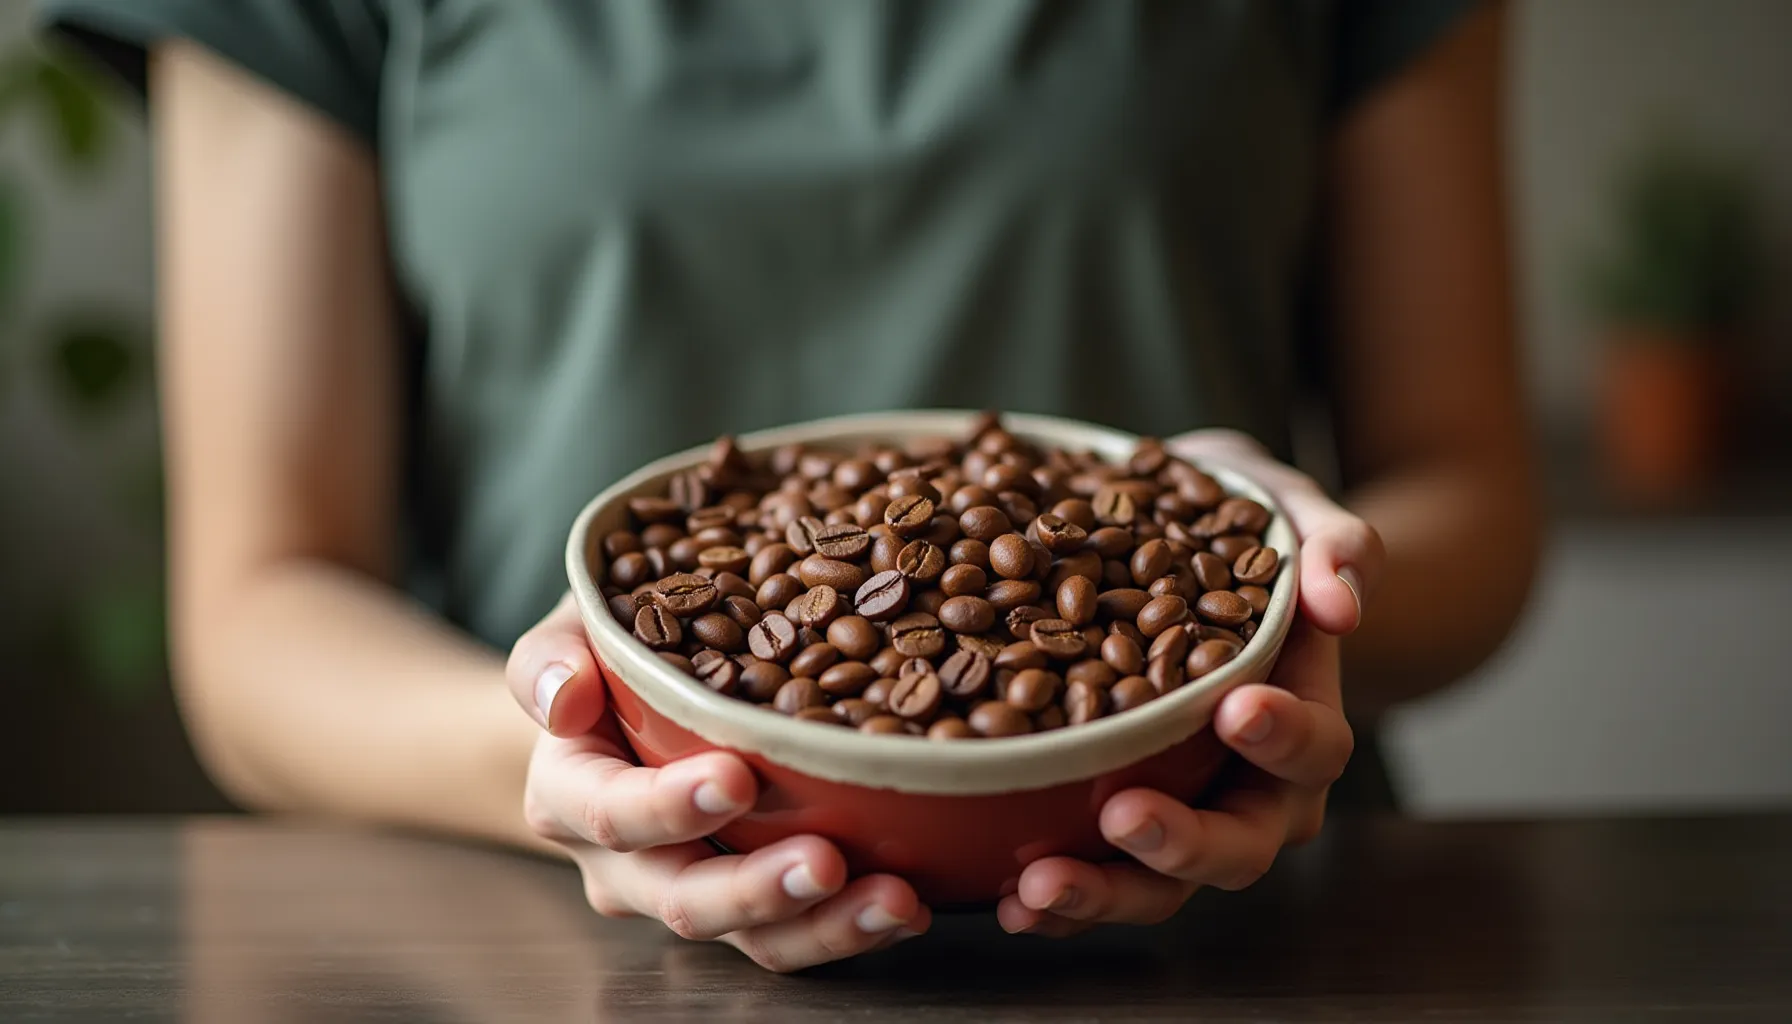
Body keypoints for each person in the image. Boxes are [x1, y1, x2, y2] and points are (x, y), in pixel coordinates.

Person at [44, 0, 1538, 971]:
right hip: (550, 944)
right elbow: (258, 607)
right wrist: (590, 764)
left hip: (1232, 918)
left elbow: (1470, 494)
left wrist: (1282, 597)